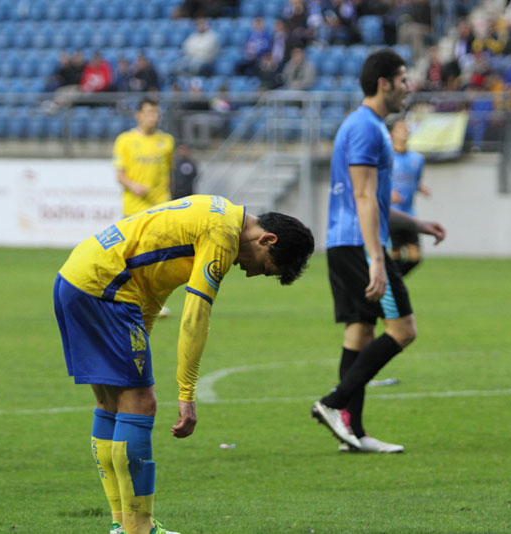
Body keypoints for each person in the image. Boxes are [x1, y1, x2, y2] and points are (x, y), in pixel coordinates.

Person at [53, 195, 315, 534]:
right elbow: (196, 315)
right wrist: (187, 392)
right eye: (265, 266)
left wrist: (141, 336)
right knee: (142, 404)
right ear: (267, 239)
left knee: (112, 404)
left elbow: (154, 281)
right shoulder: (223, 233)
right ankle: (140, 528)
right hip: (107, 287)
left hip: (77, 276)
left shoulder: (216, 211)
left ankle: (122, 525)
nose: (250, 273)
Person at [311, 48, 446, 454]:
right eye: (404, 80)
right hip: (359, 244)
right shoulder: (368, 128)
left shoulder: (363, 126)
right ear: (384, 83)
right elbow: (364, 197)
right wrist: (376, 259)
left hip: (345, 241)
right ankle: (332, 404)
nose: (408, 87)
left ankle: (353, 433)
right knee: (403, 330)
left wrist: (416, 223)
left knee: (359, 332)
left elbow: (375, 201)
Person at [113, 97, 176, 318]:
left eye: (156, 112)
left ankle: (153, 302)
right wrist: (134, 185)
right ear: (138, 114)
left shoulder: (166, 141)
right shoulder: (125, 140)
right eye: (149, 112)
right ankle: (130, 299)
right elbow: (119, 174)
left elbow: (168, 173)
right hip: (133, 207)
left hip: (159, 208)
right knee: (133, 257)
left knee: (158, 258)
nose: (153, 117)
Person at [388, 117, 430, 276]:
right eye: (401, 128)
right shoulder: (386, 157)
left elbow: (415, 181)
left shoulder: (417, 159)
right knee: (395, 256)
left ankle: (392, 283)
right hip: (391, 215)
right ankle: (392, 286)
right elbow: (375, 183)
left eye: (406, 128)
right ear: (392, 133)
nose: (405, 131)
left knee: (415, 257)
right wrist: (387, 194)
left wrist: (421, 189)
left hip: (409, 214)